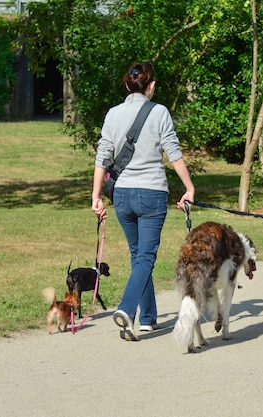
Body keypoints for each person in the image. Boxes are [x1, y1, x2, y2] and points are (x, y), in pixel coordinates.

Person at [91, 62, 195, 341]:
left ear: (127, 86)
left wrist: (96, 195)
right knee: (145, 257)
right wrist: (188, 187)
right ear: (151, 86)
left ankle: (148, 318)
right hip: (151, 195)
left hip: (122, 195)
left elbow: (103, 154)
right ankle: (127, 309)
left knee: (139, 257)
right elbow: (173, 151)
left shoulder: (113, 114)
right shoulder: (159, 112)